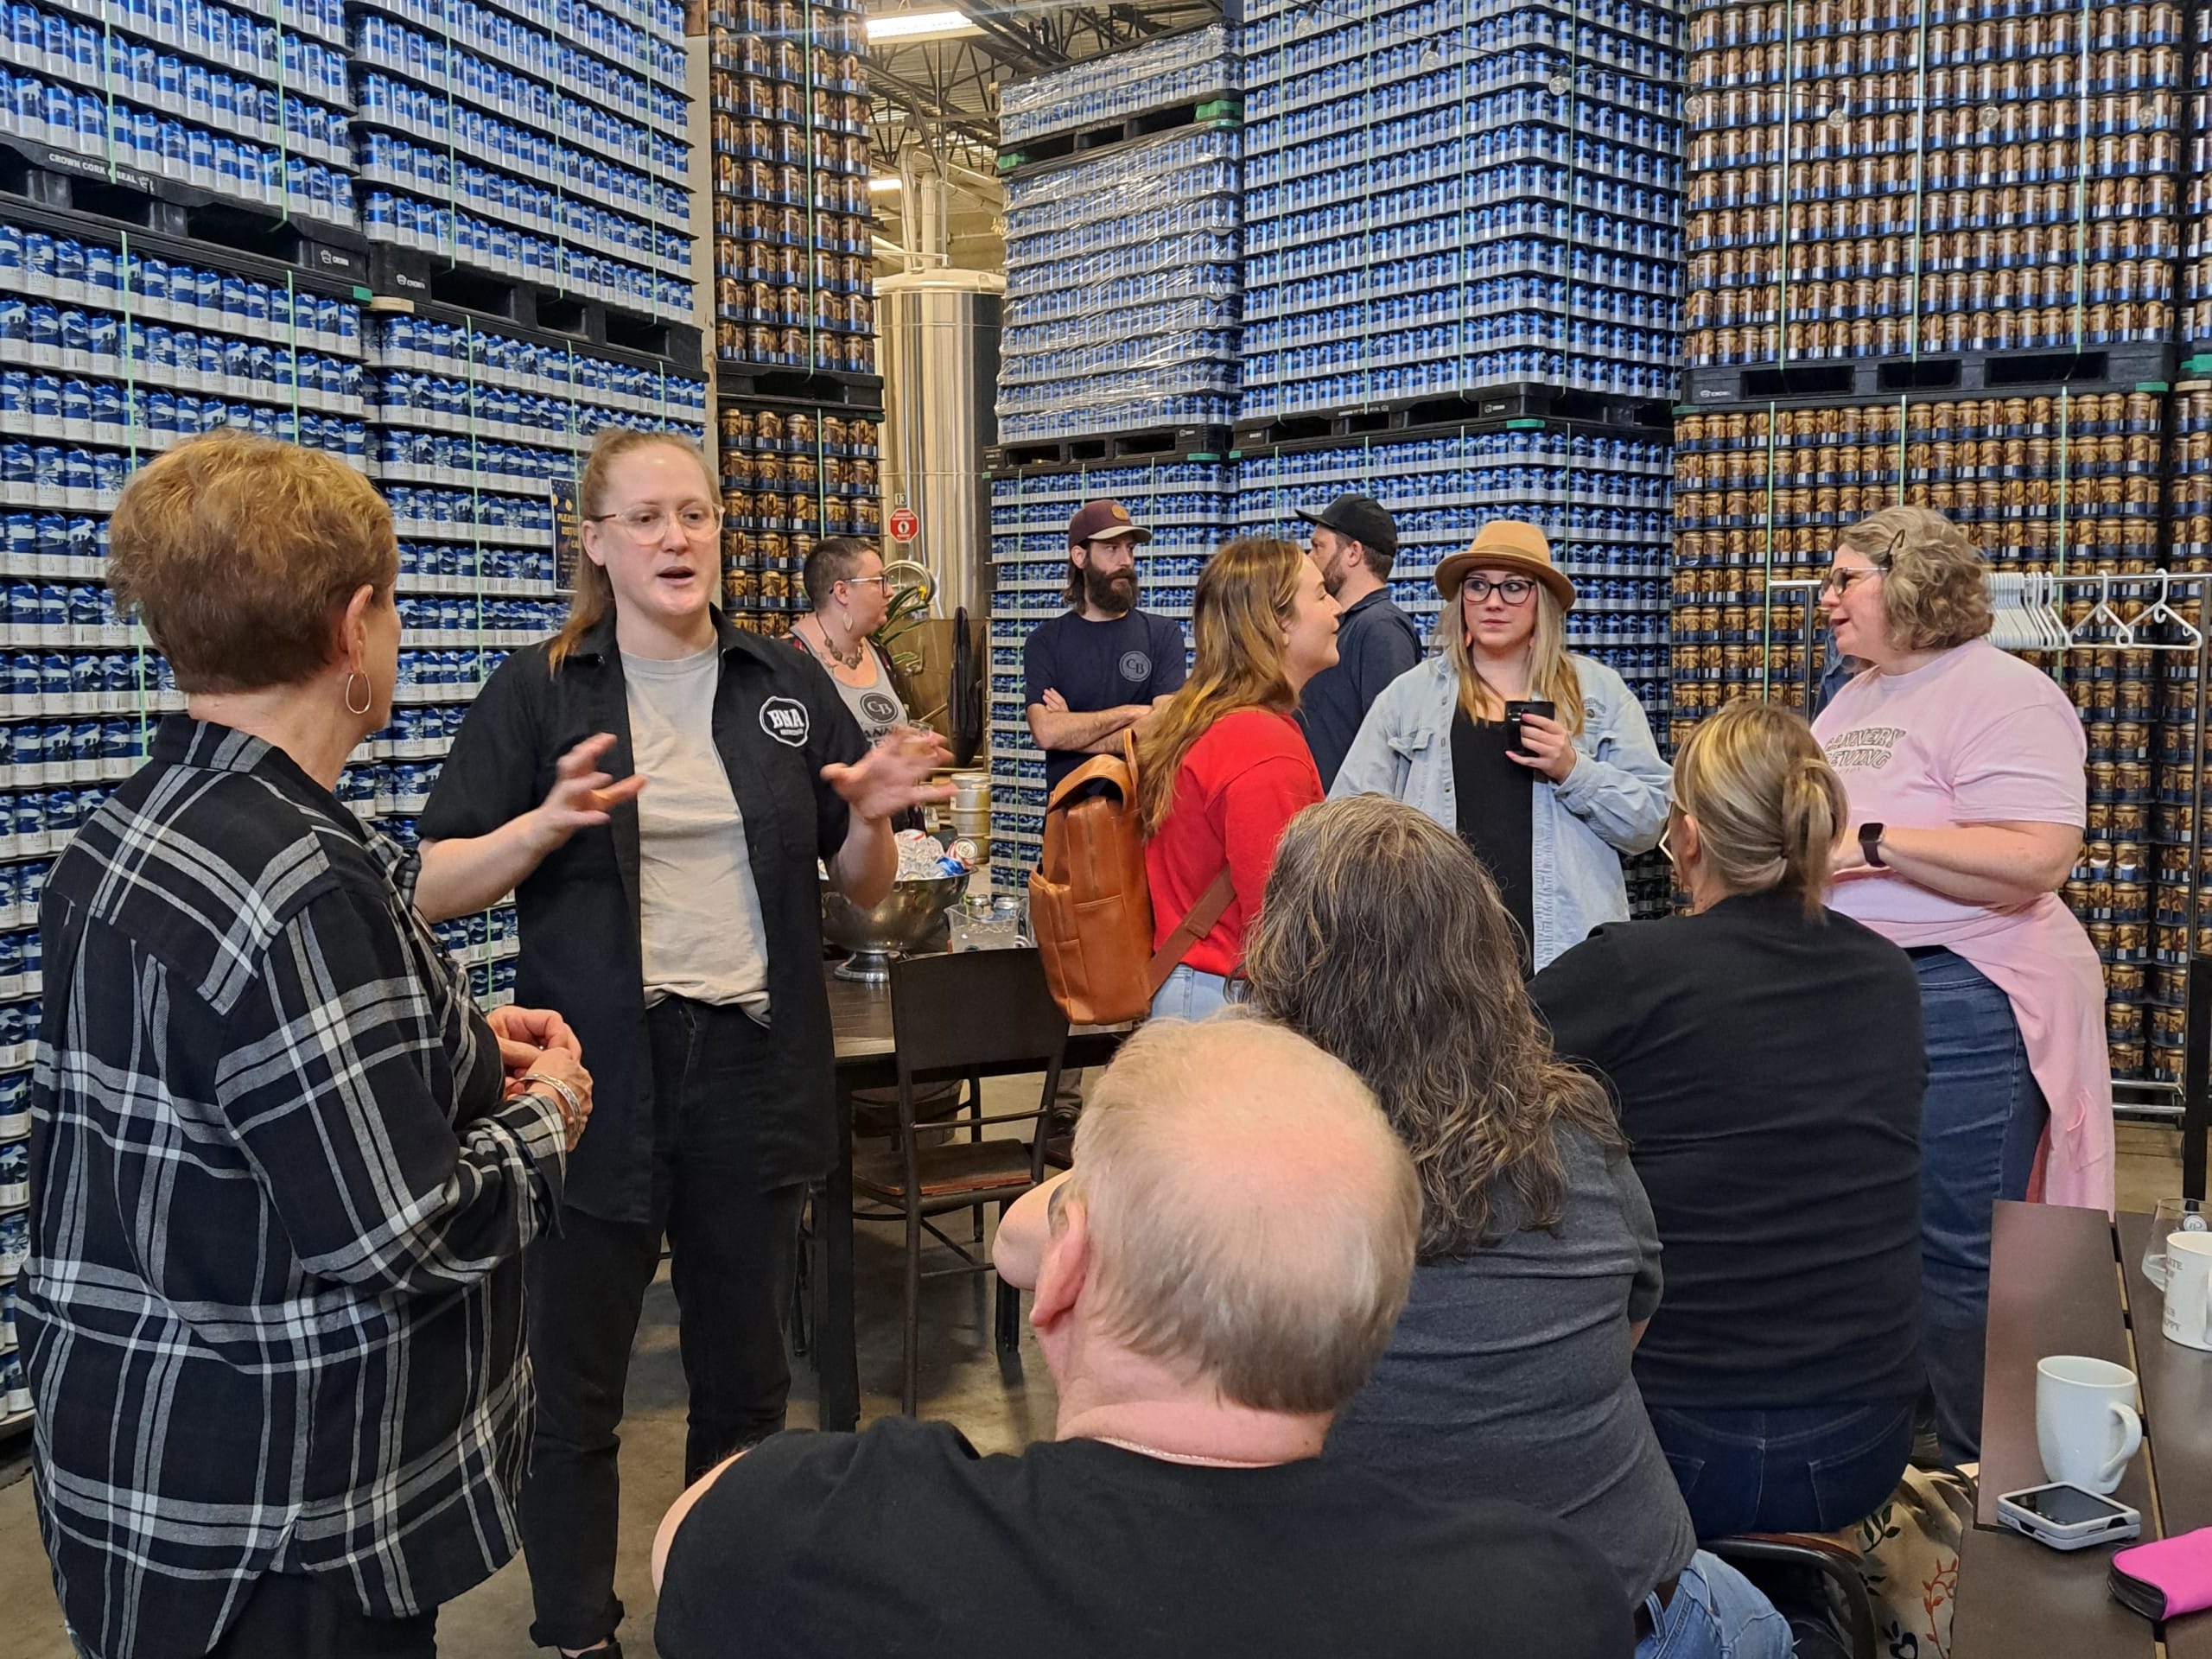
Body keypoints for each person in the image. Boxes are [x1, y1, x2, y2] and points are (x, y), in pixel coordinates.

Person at [20, 432, 594, 1659]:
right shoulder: (298, 884)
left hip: (137, 1471)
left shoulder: (120, 835)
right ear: (353, 629)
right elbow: (406, 1228)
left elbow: (219, 1108)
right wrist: (549, 1115)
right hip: (282, 1531)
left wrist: (440, 1046)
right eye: (390, 611)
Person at [413, 428, 948, 1659]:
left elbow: (858, 883)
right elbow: (434, 883)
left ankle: (723, 1612)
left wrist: (868, 817)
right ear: (595, 541)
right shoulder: (540, 690)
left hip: (751, 1072)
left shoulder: (776, 682)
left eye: (696, 515)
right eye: (647, 518)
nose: (678, 539)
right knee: (577, 1385)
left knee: (745, 1379)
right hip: (596, 1083)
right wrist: (543, 825)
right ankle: (573, 1631)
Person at [650, 1019, 1634, 1659]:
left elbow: (685, 1537)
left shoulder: (811, 1538)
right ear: (1375, 1307)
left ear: (1065, 1270)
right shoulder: (1538, 1605)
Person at [1237, 794, 1788, 1659]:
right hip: (1619, 1609)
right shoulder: (1571, 1124)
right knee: (1752, 1616)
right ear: (1485, 951)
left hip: (1362, 1618)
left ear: (1284, 958)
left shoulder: (1242, 1161)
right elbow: (1628, 1323)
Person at [1529, 701, 1926, 1541]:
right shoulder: (1889, 977)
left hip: (1681, 1435)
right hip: (1864, 1434)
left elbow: (1464, 1067)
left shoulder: (1631, 970)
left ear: (1687, 837)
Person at [1810, 504, 2105, 1467]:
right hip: (1869, 992)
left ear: (1905, 580)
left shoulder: (2002, 693)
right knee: (1882, 1228)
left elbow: (2034, 854)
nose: (1826, 599)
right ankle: (1912, 1452)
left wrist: (1871, 845)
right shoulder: (1852, 700)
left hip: (1969, 991)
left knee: (1958, 1241)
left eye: (1843, 578)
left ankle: (1986, 1475)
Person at [1332, 519, 1669, 972]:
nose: (1493, 602)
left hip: (1565, 962)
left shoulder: (1598, 694)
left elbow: (1648, 823)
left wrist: (1574, 769)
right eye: (1478, 586)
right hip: (1440, 964)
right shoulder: (1409, 698)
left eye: (1514, 587)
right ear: (1461, 601)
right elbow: (1346, 827)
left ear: (1542, 601)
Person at [1135, 537, 1338, 1020]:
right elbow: (1279, 914)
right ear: (1277, 623)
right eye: (1321, 594)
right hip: (1229, 1002)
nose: (1335, 608)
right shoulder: (1260, 744)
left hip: (1195, 990)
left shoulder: (1212, 720)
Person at [1022, 499, 1188, 791]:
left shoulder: (1163, 634)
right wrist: (1133, 713)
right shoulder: (1045, 642)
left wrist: (1075, 734)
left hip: (1143, 821)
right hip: (1070, 824)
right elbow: (1046, 733)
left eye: (1130, 549)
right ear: (1079, 556)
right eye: (1111, 549)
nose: (1125, 561)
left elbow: (1166, 727)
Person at [1291, 494, 1421, 788]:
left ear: (1353, 553)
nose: (1310, 559)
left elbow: (1393, 744)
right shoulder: (1341, 626)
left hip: (1351, 824)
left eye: (1317, 548)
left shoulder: (1381, 628)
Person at [788, 535, 908, 744]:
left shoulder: (879, 653)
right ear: (842, 592)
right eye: (879, 581)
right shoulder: (788, 659)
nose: (889, 592)